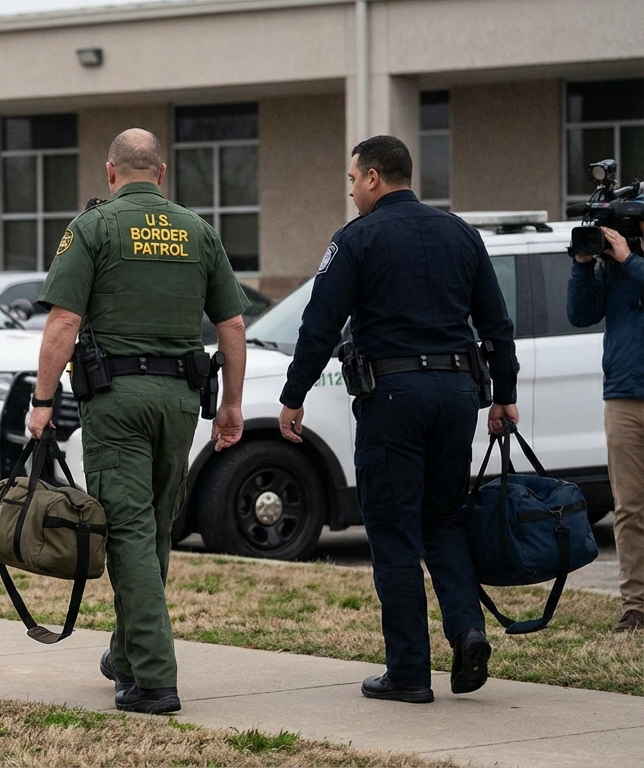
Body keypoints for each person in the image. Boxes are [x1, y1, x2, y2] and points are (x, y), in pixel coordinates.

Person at [278, 135, 519, 704]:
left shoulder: (356, 239)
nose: (352, 191)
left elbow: (319, 325)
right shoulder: (462, 233)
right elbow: (496, 322)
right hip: (458, 394)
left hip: (393, 399)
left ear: (373, 178)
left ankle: (409, 671)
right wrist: (504, 394)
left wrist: (294, 395)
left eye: (353, 179)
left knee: (393, 530)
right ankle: (467, 630)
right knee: (444, 520)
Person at [27, 128, 248, 714]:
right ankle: (125, 656)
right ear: (161, 172)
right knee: (152, 529)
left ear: (111, 172)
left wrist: (43, 402)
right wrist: (231, 403)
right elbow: (232, 326)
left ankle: (153, 678)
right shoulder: (198, 230)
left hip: (117, 402)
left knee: (127, 531)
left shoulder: (93, 228)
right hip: (180, 401)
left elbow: (63, 323)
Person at [567, 219, 644, 632]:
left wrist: (629, 259)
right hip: (624, 397)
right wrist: (583, 264)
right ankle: (636, 607)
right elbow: (580, 314)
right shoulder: (613, 267)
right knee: (629, 508)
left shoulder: (628, 262)